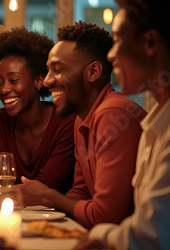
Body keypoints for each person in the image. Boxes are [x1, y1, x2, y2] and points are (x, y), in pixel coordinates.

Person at [76, 0, 170, 249]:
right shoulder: (157, 123)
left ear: (150, 43)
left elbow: (150, 237)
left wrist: (96, 237)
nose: (110, 54)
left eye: (117, 39)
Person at [20, 21, 147, 229]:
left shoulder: (112, 115)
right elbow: (82, 191)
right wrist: (52, 220)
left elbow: (107, 217)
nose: (47, 81)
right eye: (48, 71)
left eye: (58, 70)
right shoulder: (81, 117)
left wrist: (48, 197)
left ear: (93, 71)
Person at [0, 26, 76, 201]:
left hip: (54, 223)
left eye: (14, 80)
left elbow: (46, 185)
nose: (4, 89)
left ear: (39, 81)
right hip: (8, 218)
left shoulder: (65, 120)